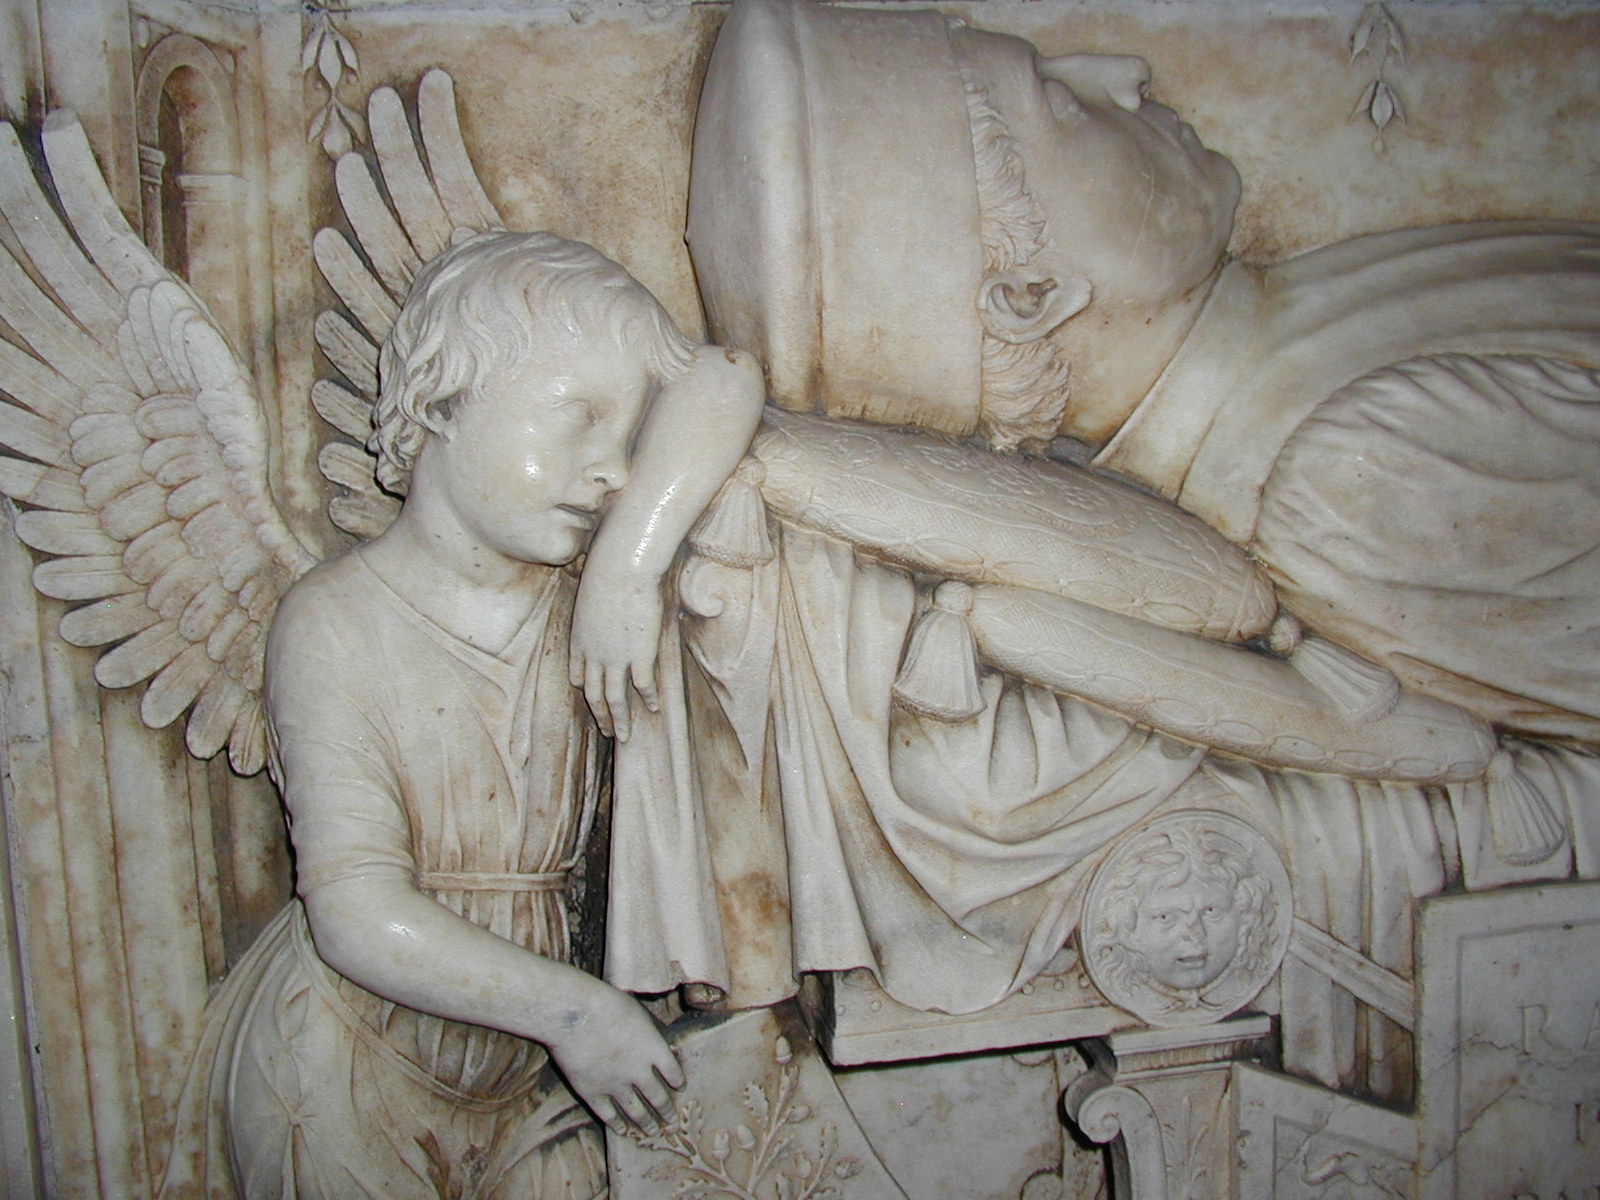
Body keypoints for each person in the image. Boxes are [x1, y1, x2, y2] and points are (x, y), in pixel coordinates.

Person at [157, 231, 765, 1199]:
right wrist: (577, 1016)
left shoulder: (583, 607)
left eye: (629, 435)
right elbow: (354, 910)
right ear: (444, 404)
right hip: (349, 1075)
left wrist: (627, 564)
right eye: (581, 418)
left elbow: (726, 375)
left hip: (533, 1090)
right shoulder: (332, 623)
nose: (616, 471)